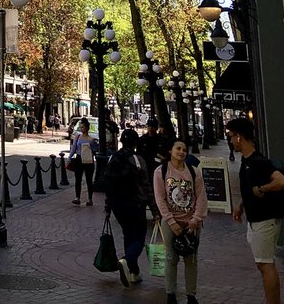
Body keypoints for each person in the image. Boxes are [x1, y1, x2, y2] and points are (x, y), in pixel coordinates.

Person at [227, 116, 284, 304]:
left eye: (231, 136)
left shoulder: (257, 161)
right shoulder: (248, 161)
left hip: (264, 220)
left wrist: (262, 189)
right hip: (257, 219)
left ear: (239, 136)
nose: (231, 141)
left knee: (266, 265)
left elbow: (282, 181)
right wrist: (241, 205)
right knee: (263, 264)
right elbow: (250, 188)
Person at [153, 139, 207, 304]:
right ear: (170, 150)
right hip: (171, 222)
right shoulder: (161, 171)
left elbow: (201, 197)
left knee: (191, 259)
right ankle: (171, 294)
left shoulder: (194, 172)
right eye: (178, 148)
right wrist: (171, 221)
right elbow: (160, 198)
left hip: (191, 223)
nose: (181, 152)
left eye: (184, 149)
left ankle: (191, 295)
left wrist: (195, 220)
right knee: (171, 258)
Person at [103, 128, 151, 288]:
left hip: (117, 205)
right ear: (135, 143)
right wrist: (154, 209)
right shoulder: (138, 160)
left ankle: (133, 272)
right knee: (139, 238)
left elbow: (108, 184)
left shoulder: (113, 158)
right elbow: (146, 186)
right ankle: (127, 260)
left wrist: (108, 207)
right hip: (135, 203)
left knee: (128, 234)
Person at [69, 118, 98, 206]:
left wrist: (91, 148)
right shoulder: (78, 137)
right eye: (81, 127)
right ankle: (77, 198)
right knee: (78, 179)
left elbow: (95, 150)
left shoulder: (91, 139)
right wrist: (69, 157)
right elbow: (74, 148)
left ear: (87, 128)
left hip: (88, 160)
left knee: (89, 180)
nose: (82, 129)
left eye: (83, 127)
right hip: (79, 158)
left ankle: (90, 199)